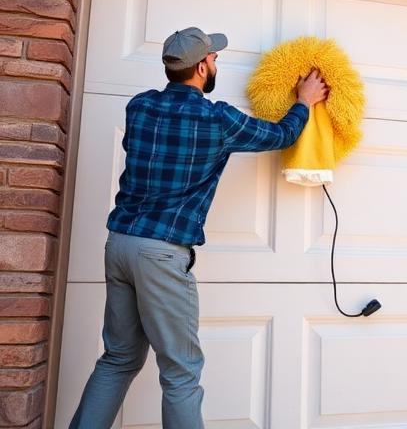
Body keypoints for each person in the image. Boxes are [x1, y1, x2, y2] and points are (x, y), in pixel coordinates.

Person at [69, 27, 328, 428]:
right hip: (162, 253)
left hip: (119, 244)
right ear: (203, 66)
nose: (217, 63)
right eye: (215, 58)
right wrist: (304, 102)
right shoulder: (217, 119)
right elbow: (281, 135)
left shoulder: (139, 108)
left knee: (118, 358)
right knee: (181, 372)